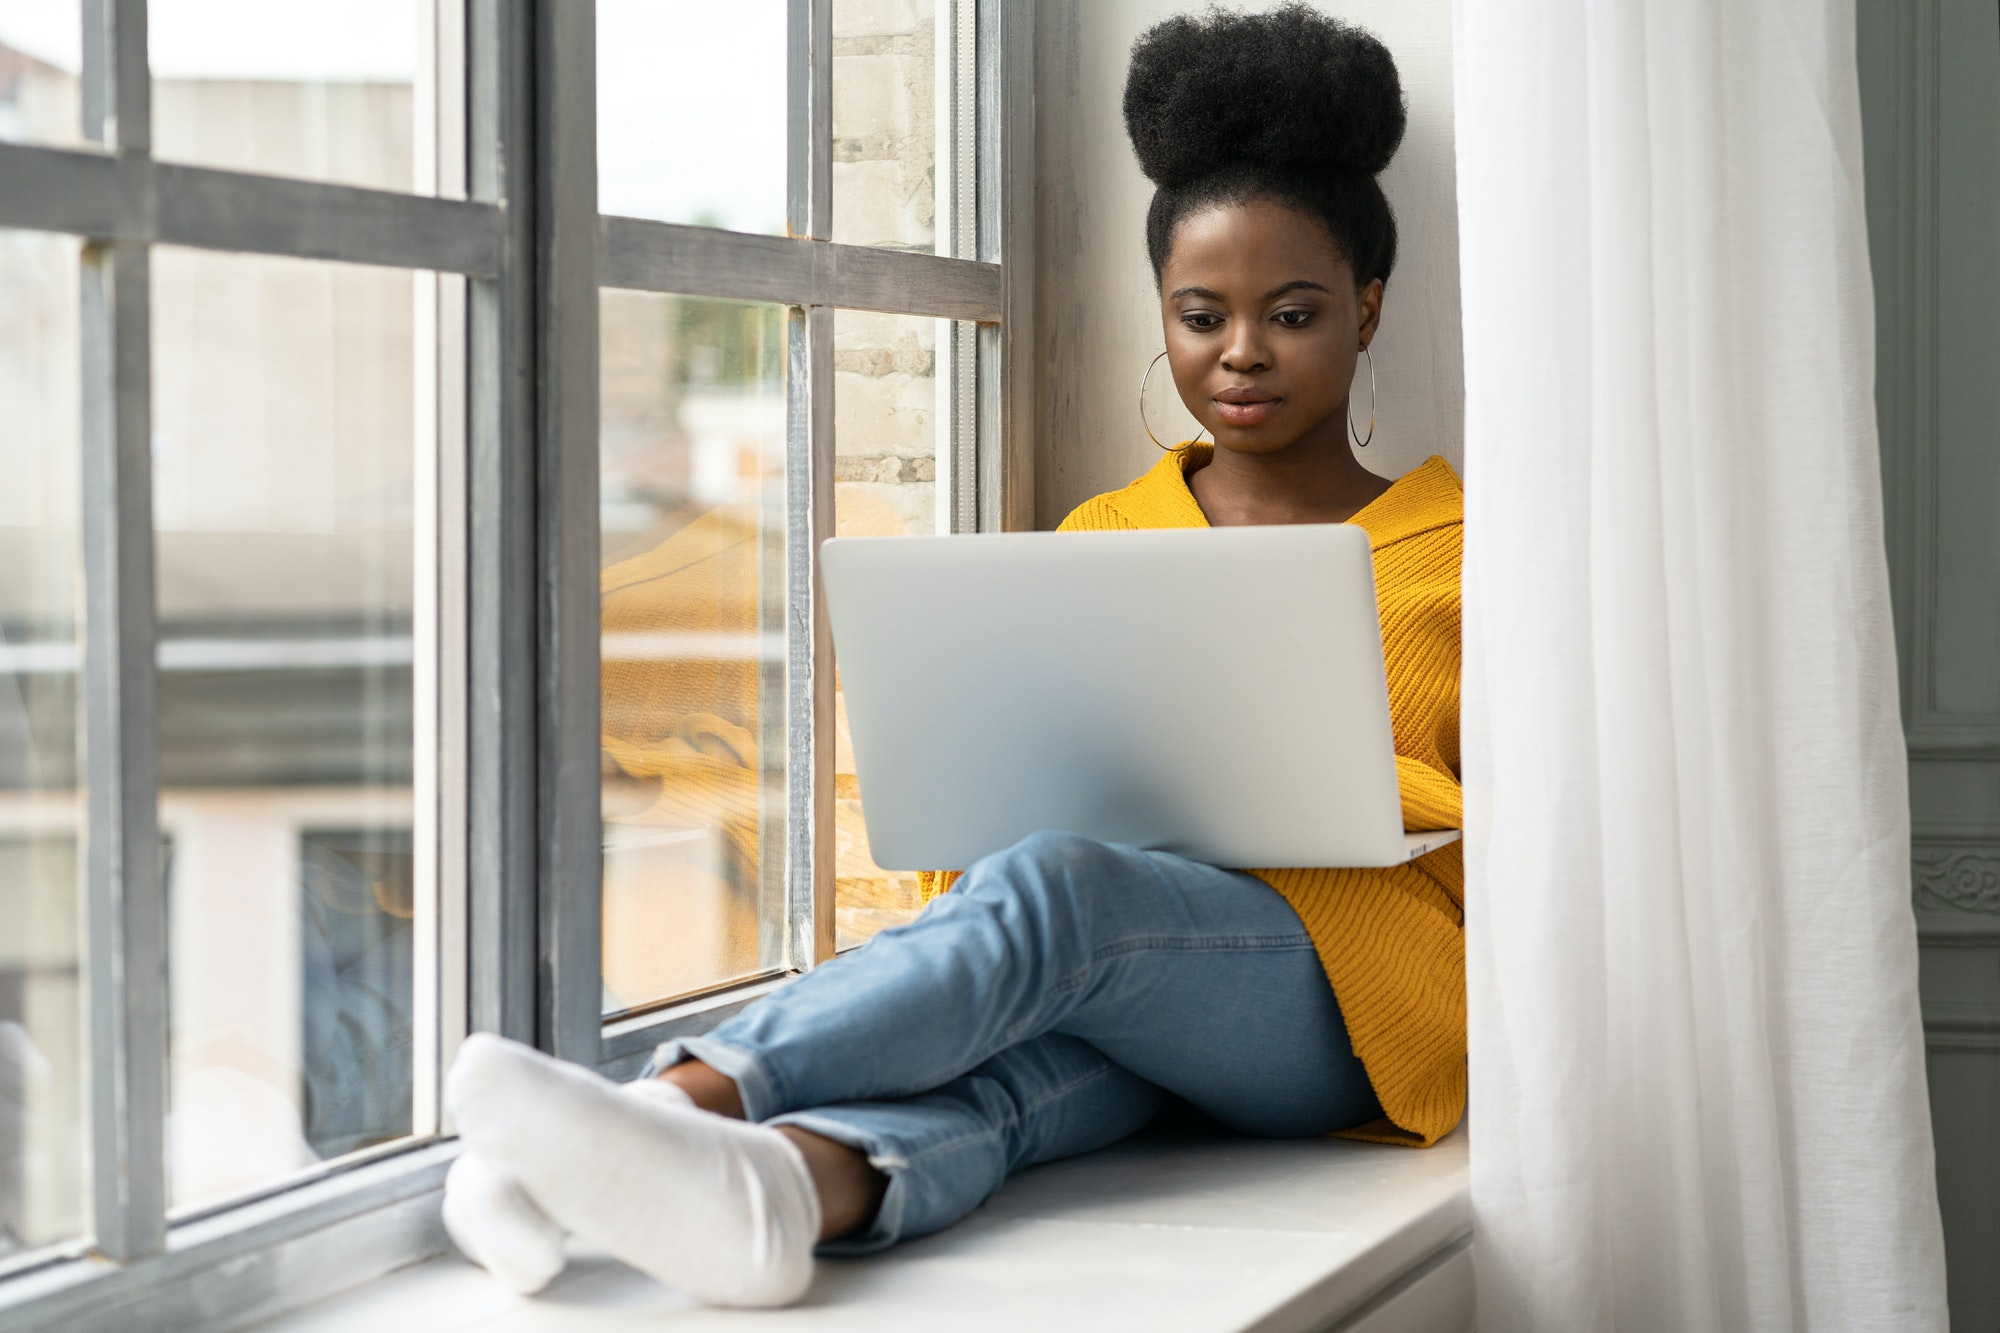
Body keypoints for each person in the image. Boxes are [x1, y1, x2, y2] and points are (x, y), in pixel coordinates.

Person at [439, 4, 1464, 1308]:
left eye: (1294, 312)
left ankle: (652, 1101)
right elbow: (998, 822)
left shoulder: (1466, 546)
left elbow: (1536, 852)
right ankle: (776, 1190)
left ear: (1366, 311)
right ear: (1162, 313)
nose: (1242, 350)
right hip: (1134, 992)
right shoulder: (1100, 539)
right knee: (1014, 1079)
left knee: (1063, 893)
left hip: (1351, 1002)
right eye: (1201, 313)